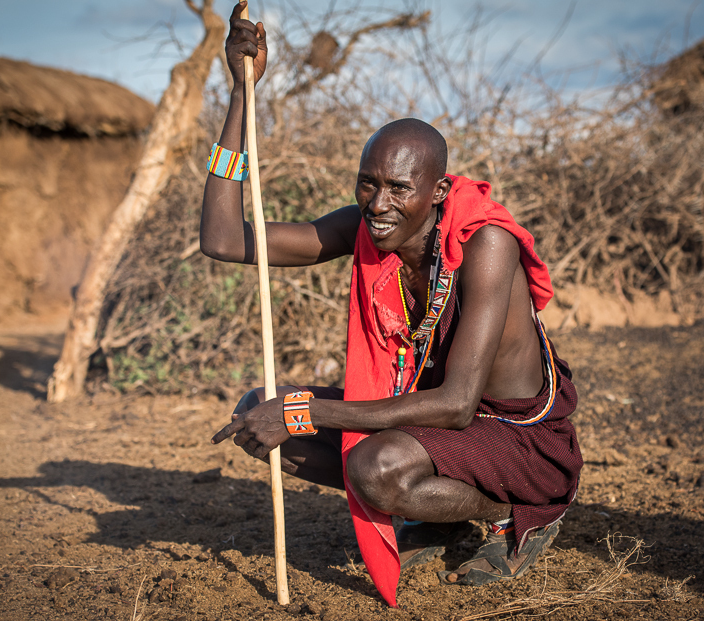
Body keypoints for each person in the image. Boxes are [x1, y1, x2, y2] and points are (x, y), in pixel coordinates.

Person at [201, 2, 582, 606]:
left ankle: (508, 510)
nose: (378, 203)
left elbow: (459, 406)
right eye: (368, 183)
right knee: (262, 408)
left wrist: (306, 411)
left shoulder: (485, 242)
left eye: (398, 188)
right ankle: (438, 513)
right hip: (428, 420)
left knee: (371, 469)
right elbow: (224, 240)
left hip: (515, 437)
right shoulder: (365, 228)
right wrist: (241, 96)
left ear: (436, 191)